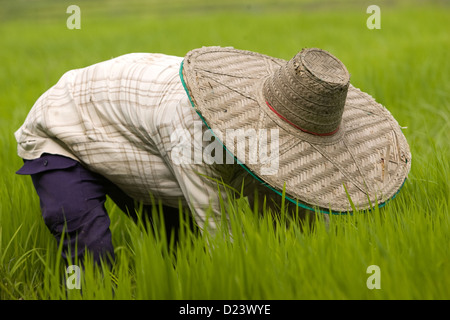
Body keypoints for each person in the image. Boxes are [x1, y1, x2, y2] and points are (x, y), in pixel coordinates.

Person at [15, 46, 411, 265]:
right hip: (66, 129)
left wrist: (317, 259)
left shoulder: (262, 132)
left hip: (138, 139)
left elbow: (279, 202)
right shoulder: (193, 124)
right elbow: (220, 230)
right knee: (91, 252)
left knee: (181, 260)